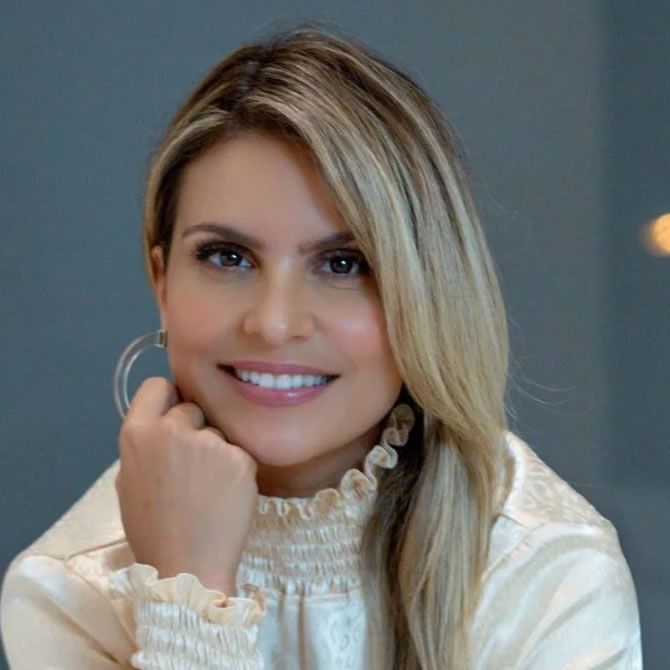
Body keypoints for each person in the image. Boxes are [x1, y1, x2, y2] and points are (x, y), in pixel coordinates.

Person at [0, 23, 642, 670]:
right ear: (161, 281)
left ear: (428, 293)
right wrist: (187, 594)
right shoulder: (69, 588)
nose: (275, 324)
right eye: (227, 256)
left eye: (343, 264)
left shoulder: (546, 572)